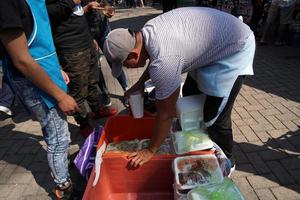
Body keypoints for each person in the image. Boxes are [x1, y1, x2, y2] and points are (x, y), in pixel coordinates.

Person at [103, 7, 256, 169]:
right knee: (191, 94)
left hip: (236, 46)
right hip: (215, 43)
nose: (127, 68)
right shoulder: (147, 32)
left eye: (125, 64)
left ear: (133, 54)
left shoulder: (164, 59)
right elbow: (157, 59)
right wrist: (140, 84)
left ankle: (227, 161)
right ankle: (200, 143)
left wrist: (150, 150)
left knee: (215, 116)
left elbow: (166, 113)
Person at [0, 0, 79, 199]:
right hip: (32, 81)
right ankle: (63, 185)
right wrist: (60, 96)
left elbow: (40, 43)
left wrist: (57, 68)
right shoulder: (6, 5)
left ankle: (61, 169)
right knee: (58, 138)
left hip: (46, 71)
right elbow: (22, 60)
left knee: (58, 133)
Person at [46, 0, 118, 138]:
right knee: (78, 89)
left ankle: (97, 110)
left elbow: (75, 15)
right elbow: (49, 14)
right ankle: (84, 123)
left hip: (87, 43)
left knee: (93, 81)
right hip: (71, 49)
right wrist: (71, 2)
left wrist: (86, 9)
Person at [82, 0, 129, 106]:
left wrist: (109, 10)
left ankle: (127, 90)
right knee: (96, 65)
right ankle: (104, 93)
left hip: (103, 29)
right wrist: (90, 38)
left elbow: (105, 3)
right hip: (86, 33)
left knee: (114, 59)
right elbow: (73, 15)